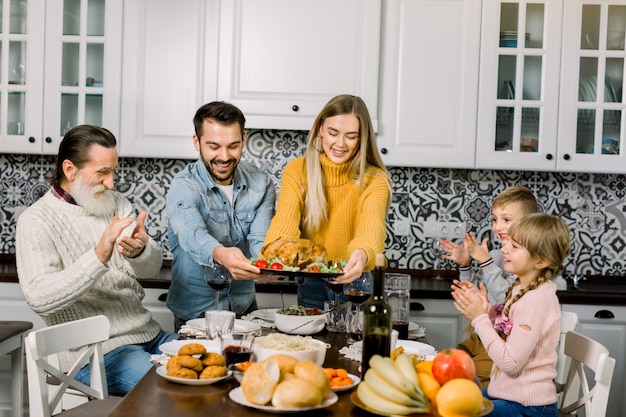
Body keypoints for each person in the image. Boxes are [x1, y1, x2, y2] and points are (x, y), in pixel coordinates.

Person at [15, 124, 178, 395]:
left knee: (217, 367)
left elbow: (148, 270)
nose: (111, 182)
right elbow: (39, 297)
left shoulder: (115, 203)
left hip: (151, 336)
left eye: (113, 170)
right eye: (103, 172)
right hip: (92, 353)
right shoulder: (35, 221)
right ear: (70, 170)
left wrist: (140, 251)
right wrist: (98, 257)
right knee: (176, 387)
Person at [263, 94, 392, 309]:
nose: (340, 144)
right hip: (312, 283)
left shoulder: (375, 179)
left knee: (360, 343)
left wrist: (361, 254)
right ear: (321, 129)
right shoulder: (297, 171)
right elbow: (285, 220)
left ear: (362, 138)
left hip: (360, 282)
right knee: (311, 343)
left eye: (351, 136)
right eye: (333, 133)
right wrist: (274, 256)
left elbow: (372, 226)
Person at [166, 101, 277, 331]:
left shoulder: (262, 183)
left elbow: (260, 240)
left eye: (233, 146)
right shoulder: (183, 186)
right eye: (213, 146)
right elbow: (190, 233)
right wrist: (220, 254)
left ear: (244, 139)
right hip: (195, 314)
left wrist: (266, 266)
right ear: (196, 142)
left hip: (244, 310)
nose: (224, 156)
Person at [451, 213, 570, 417]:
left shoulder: (536, 298)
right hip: (508, 395)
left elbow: (510, 363)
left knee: (455, 411)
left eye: (515, 246)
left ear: (541, 260)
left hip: (529, 408)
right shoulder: (522, 287)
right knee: (451, 397)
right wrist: (486, 310)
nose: (504, 249)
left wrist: (479, 319)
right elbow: (509, 332)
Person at [439, 185, 539, 387]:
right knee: (445, 366)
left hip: (507, 345)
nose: (498, 226)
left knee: (466, 383)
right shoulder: (496, 256)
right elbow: (478, 296)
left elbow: (508, 301)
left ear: (529, 223)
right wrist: (466, 266)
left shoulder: (530, 261)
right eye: (495, 219)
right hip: (483, 337)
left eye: (507, 220)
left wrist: (485, 262)